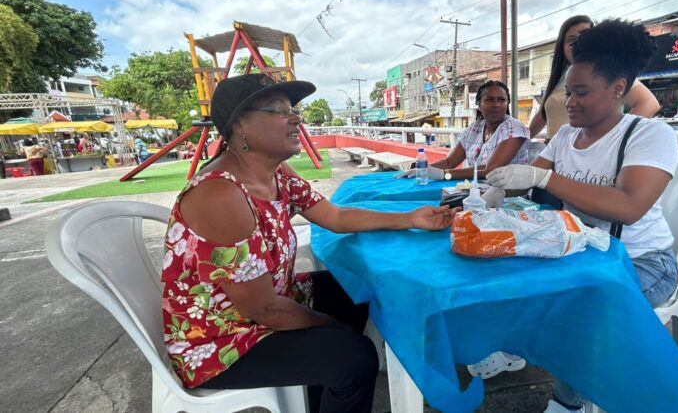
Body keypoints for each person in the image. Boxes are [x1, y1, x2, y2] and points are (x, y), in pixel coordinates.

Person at [161, 74, 458, 413]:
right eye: (277, 109)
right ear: (239, 125)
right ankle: (336, 379)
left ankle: (323, 397)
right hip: (220, 342)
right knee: (355, 358)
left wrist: (410, 219)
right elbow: (264, 311)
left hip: (266, 305)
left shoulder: (275, 172)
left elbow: (335, 217)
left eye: (292, 109)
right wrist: (328, 324)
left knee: (355, 288)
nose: (296, 118)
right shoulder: (220, 195)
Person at [486, 19, 678, 413]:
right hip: (578, 250)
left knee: (580, 314)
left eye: (582, 92)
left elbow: (629, 206)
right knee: (501, 276)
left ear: (618, 88)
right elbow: (527, 183)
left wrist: (544, 177)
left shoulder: (647, 135)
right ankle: (510, 349)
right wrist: (501, 185)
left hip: (640, 260)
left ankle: (567, 403)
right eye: (568, 92)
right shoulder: (565, 136)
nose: (570, 102)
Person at [528, 15, 661, 141]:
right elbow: (542, 116)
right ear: (561, 46)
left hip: (586, 154)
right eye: (571, 40)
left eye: (582, 92)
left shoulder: (609, 73)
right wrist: (519, 140)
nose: (578, 44)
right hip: (554, 151)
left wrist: (611, 138)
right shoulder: (559, 77)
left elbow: (648, 103)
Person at [396, 80, 530, 180]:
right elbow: (450, 162)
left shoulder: (515, 128)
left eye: (502, 100)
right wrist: (424, 169)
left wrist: (444, 175)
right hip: (477, 189)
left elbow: (491, 169)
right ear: (478, 103)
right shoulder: (474, 129)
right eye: (489, 100)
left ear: (507, 104)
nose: (496, 105)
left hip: (509, 195)